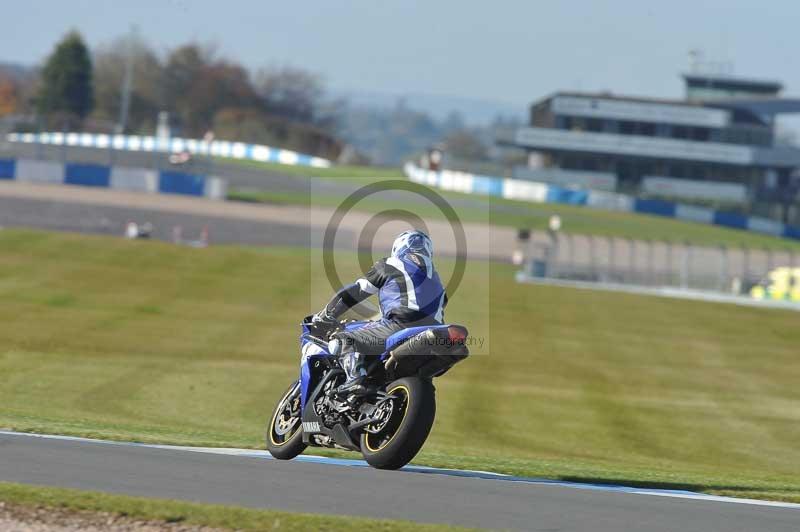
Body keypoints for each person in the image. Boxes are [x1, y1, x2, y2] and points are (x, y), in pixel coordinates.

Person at [312, 230, 447, 395]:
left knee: (343, 340)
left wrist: (326, 314)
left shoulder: (392, 264)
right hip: (434, 333)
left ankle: (355, 379)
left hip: (399, 326)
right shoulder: (437, 280)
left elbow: (356, 291)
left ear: (399, 248)